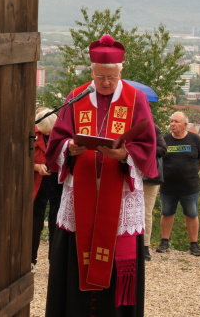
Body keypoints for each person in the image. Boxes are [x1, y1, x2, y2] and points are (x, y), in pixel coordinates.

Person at [44, 34, 157, 317]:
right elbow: (56, 141)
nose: (106, 82)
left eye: (111, 76)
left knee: (117, 262)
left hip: (117, 193)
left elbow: (147, 145)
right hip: (81, 191)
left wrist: (125, 154)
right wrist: (70, 147)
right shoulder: (77, 96)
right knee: (75, 252)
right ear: (91, 72)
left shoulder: (136, 99)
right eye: (100, 76)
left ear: (121, 71)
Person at [156, 111, 200, 257]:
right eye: (172, 121)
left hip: (190, 187)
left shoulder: (195, 139)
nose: (173, 124)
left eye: (176, 122)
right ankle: (164, 242)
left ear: (185, 125)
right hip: (168, 186)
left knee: (192, 214)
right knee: (166, 213)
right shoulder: (164, 140)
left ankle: (194, 244)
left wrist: (190, 172)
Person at [32, 108, 63, 270]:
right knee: (35, 221)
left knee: (56, 221)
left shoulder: (60, 131)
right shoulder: (32, 132)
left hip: (58, 180)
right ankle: (31, 260)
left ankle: (55, 260)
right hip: (38, 182)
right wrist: (36, 166)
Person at [142, 124, 167, 261]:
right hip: (127, 174)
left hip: (148, 176)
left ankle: (145, 246)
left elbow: (163, 150)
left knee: (146, 212)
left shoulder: (152, 127)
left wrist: (142, 150)